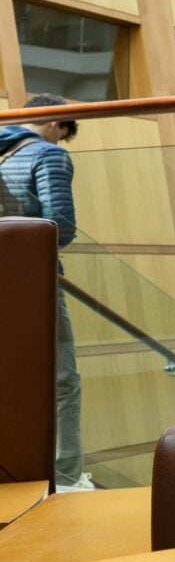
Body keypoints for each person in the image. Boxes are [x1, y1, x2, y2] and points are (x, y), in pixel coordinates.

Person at [0, 94, 88, 491]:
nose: (61, 143)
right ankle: (65, 478)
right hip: (32, 281)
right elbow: (60, 225)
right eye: (64, 135)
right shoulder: (48, 155)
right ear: (56, 125)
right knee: (62, 379)